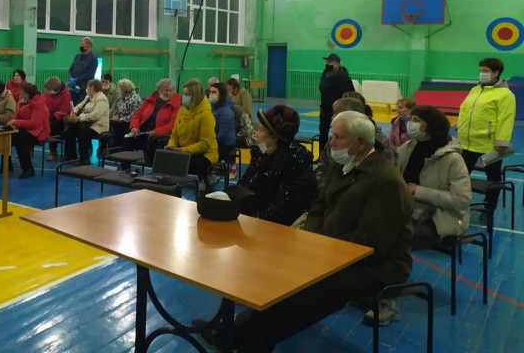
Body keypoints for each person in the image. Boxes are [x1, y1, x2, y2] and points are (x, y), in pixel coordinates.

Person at [199, 110, 413, 352]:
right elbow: (319, 205)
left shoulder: (386, 182)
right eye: (332, 135)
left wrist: (321, 252)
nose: (331, 142)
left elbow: (371, 244)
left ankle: (243, 339)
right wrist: (311, 240)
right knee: (279, 266)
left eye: (339, 137)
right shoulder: (343, 164)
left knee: (308, 290)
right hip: (332, 248)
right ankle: (237, 331)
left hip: (375, 266)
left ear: (361, 143)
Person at [368, 105, 471, 326]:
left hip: (442, 218)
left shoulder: (452, 158)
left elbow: (462, 200)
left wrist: (420, 191)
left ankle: (388, 303)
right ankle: (366, 288)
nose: (410, 123)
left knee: (395, 242)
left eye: (416, 120)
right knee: (369, 231)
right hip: (408, 211)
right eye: (410, 119)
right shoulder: (409, 147)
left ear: (431, 126)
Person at [225, 105, 317, 225]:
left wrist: (252, 221)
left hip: (270, 227)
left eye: (261, 130)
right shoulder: (261, 154)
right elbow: (243, 185)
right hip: (250, 219)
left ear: (275, 137)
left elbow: (282, 209)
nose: (256, 135)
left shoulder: (295, 164)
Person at [457, 57, 516, 213]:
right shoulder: (475, 90)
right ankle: (458, 204)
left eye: (485, 71)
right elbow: (464, 110)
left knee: (493, 179)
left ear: (496, 73)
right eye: (481, 70)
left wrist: (501, 144)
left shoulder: (505, 94)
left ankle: (489, 208)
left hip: (489, 146)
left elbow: (505, 119)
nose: (482, 73)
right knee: (460, 176)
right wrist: (461, 128)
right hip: (468, 143)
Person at [167, 78, 218, 186]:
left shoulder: (206, 115)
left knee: (187, 164)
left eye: (187, 94)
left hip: (204, 153)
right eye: (184, 93)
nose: (184, 97)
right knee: (164, 157)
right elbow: (174, 134)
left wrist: (182, 151)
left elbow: (204, 145)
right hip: (183, 150)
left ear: (195, 96)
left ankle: (206, 182)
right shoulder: (182, 111)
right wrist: (171, 145)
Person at [124, 78, 181, 164]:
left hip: (159, 135)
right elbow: (137, 115)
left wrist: (155, 132)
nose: (169, 93)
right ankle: (126, 167)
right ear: (159, 90)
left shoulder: (175, 104)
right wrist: (134, 127)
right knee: (127, 139)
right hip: (144, 132)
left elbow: (171, 124)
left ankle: (150, 166)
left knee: (152, 143)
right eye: (166, 90)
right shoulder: (150, 100)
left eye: (171, 91)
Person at [6, 83, 50, 179]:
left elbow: (34, 123)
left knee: (20, 139)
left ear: (27, 94)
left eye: (21, 92)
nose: (19, 94)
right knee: (6, 136)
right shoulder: (21, 102)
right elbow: (16, 115)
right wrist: (12, 122)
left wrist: (15, 122)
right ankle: (6, 164)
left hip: (39, 131)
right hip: (25, 129)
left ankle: (28, 168)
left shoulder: (39, 104)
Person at [64, 78, 109, 165]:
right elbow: (79, 106)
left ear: (92, 87)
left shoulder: (102, 98)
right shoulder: (88, 97)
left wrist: (79, 118)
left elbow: (96, 115)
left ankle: (84, 159)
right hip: (87, 124)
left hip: (98, 126)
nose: (86, 88)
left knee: (83, 134)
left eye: (88, 86)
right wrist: (73, 112)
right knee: (70, 130)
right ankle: (71, 155)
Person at [318, 53, 354, 147]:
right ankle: (322, 153)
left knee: (340, 133)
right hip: (325, 109)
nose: (327, 64)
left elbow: (351, 93)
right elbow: (322, 87)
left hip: (339, 110)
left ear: (336, 64)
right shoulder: (326, 74)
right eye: (327, 62)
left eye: (329, 62)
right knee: (323, 134)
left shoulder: (343, 76)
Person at [43, 76, 72, 162]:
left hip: (61, 119)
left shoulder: (66, 95)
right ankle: (30, 148)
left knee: (52, 125)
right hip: (48, 115)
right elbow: (42, 104)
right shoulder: (47, 93)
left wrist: (50, 118)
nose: (47, 91)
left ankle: (53, 151)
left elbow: (64, 111)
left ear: (55, 88)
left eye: (49, 89)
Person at [208, 82, 236, 166]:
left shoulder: (226, 111)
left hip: (225, 144)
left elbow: (223, 135)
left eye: (214, 92)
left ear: (221, 94)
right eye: (210, 92)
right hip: (217, 140)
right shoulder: (215, 107)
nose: (211, 94)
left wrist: (209, 140)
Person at [109, 79, 142, 146]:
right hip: (120, 122)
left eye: (119, 89)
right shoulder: (121, 98)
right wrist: (116, 116)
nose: (118, 90)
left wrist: (121, 119)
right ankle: (112, 146)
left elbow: (134, 115)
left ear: (124, 89)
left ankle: (118, 147)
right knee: (111, 123)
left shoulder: (135, 99)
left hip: (129, 124)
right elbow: (117, 110)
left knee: (119, 127)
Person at [67, 36, 98, 105]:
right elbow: (71, 69)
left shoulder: (93, 59)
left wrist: (76, 80)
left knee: (80, 107)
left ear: (88, 46)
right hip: (73, 88)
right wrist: (70, 78)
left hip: (84, 89)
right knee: (70, 105)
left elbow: (90, 74)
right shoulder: (77, 57)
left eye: (82, 45)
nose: (80, 46)